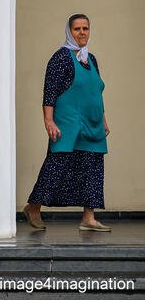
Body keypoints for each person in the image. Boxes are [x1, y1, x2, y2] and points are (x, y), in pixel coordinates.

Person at [24, 13, 111, 232]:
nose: (82, 33)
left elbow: (95, 93)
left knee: (92, 169)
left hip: (92, 124)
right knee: (56, 167)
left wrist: (103, 120)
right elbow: (50, 91)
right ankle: (33, 208)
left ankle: (88, 218)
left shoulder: (91, 59)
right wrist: (48, 120)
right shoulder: (61, 58)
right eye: (77, 29)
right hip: (68, 123)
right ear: (69, 31)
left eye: (85, 28)